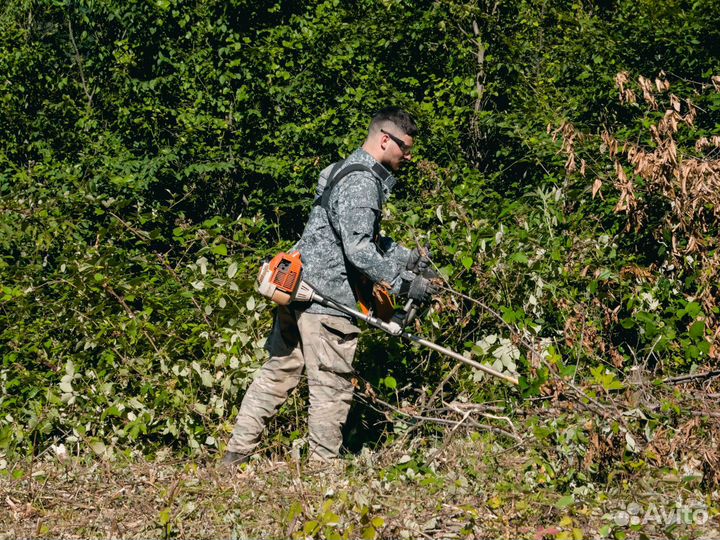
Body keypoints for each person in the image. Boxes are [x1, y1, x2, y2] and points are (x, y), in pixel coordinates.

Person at [221, 107, 438, 466]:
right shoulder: (363, 183)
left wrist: (411, 259)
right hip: (327, 300)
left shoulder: (343, 170)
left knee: (278, 371)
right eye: (404, 147)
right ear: (385, 139)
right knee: (331, 388)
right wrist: (405, 285)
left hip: (299, 288)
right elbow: (358, 250)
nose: (408, 156)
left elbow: (361, 237)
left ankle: (235, 455)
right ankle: (323, 474)